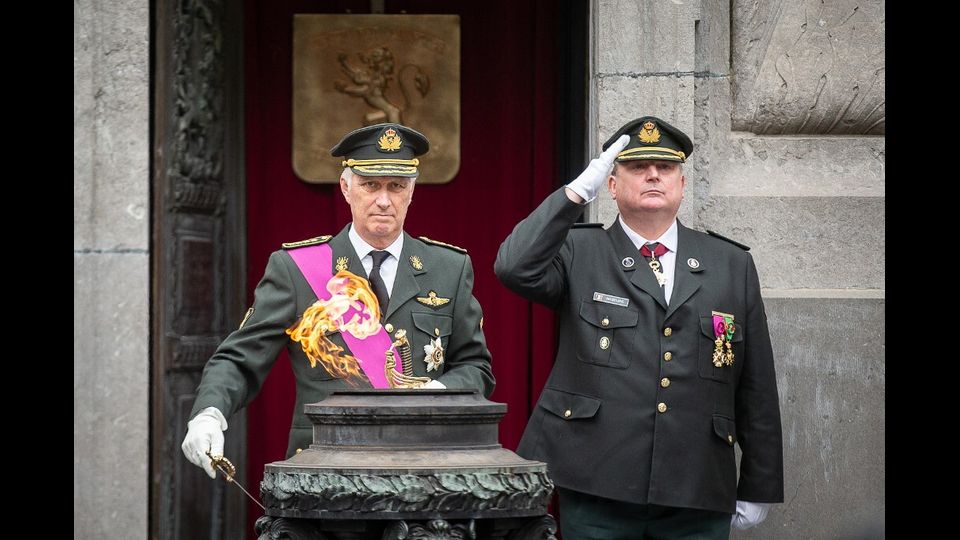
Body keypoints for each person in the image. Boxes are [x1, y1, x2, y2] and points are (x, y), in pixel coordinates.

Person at [494, 116, 783, 538]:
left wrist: (760, 483)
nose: (652, 174)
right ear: (611, 185)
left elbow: (756, 384)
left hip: (697, 484)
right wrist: (575, 194)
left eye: (665, 168)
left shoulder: (729, 264)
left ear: (682, 185)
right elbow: (513, 267)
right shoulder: (578, 250)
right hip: (597, 481)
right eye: (637, 167)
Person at [182, 123, 495, 478]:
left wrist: (435, 392)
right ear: (346, 188)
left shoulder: (448, 268)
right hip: (324, 467)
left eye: (396, 186)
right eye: (370, 184)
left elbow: (476, 368)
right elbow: (240, 360)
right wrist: (209, 413)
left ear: (412, 191)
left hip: (424, 465)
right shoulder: (297, 270)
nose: (383, 199)